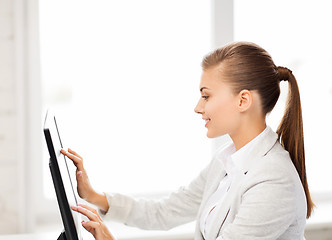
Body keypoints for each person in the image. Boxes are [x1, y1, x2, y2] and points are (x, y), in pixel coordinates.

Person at [61, 41, 314, 240]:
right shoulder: (227, 162)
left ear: (243, 100)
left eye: (206, 96)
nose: (197, 107)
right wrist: (94, 196)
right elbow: (166, 211)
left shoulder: (273, 181)